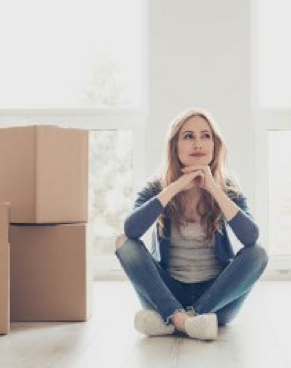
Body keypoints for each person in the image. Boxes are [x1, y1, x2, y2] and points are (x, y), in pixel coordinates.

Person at [114, 108, 269, 341]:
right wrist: (176, 186)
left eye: (205, 136)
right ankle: (181, 319)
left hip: (217, 297)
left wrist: (213, 188)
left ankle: (175, 321)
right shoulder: (157, 187)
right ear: (174, 146)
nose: (198, 143)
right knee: (122, 242)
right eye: (188, 136)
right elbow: (131, 230)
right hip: (168, 294)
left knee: (258, 253)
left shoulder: (228, 187)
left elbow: (250, 237)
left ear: (215, 145)